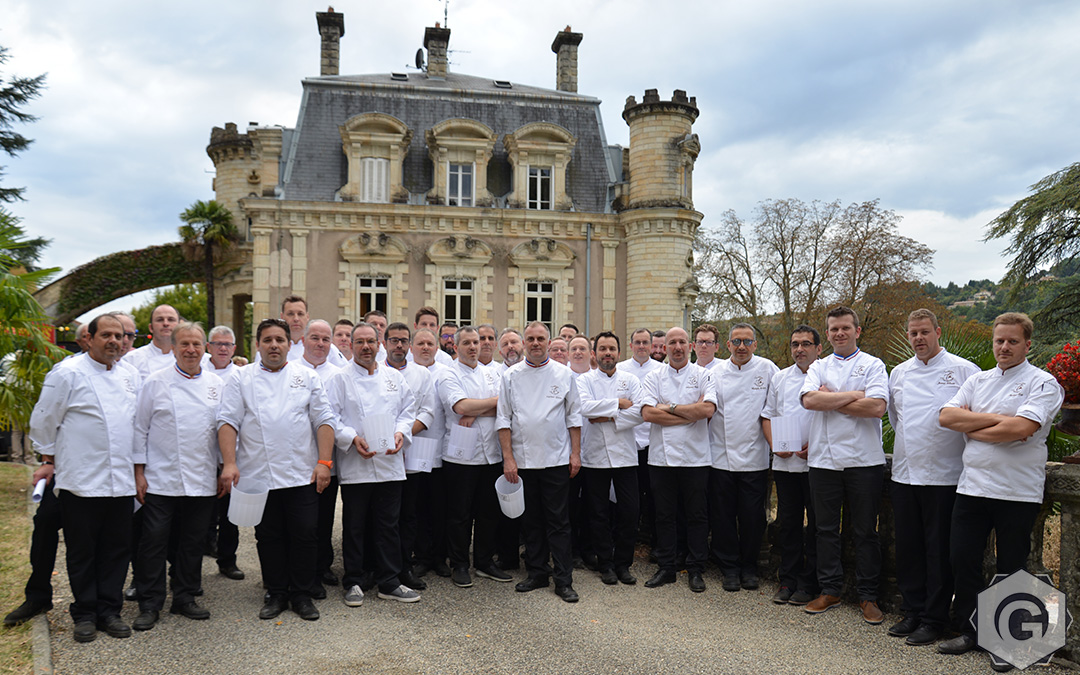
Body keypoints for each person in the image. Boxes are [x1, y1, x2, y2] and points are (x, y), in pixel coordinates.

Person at [937, 313, 1064, 663]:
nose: (1004, 347)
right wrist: (1001, 421)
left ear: (1027, 344)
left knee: (1011, 566)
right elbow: (946, 418)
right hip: (972, 487)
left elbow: (1022, 427)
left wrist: (975, 427)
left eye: (1012, 341)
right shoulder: (977, 381)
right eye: (999, 341)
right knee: (963, 560)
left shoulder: (1044, 383)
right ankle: (970, 631)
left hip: (1017, 491)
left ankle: (1010, 642)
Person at [217, 318, 336, 622]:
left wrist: (325, 463)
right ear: (258, 345)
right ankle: (276, 592)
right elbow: (228, 422)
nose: (274, 345)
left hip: (301, 473)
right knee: (268, 535)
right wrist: (230, 463)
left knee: (306, 534)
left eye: (279, 340)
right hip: (259, 473)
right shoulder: (240, 378)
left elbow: (324, 421)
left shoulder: (306, 376)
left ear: (288, 344)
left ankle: (301, 593)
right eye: (267, 340)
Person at [29, 314, 139, 642]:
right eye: (106, 335)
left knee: (116, 550)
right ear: (88, 339)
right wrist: (48, 457)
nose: (114, 341)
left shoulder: (131, 375)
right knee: (82, 551)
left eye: (119, 336)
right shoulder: (67, 373)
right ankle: (85, 613)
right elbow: (45, 419)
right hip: (80, 479)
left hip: (120, 481)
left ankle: (109, 609)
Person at [885, 309, 980, 645]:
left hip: (945, 474)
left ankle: (934, 619)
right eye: (913, 333)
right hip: (905, 472)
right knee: (908, 547)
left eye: (924, 332)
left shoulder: (964, 370)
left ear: (938, 331)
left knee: (939, 551)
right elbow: (897, 420)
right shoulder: (898, 373)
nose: (919, 339)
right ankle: (912, 611)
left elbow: (972, 418)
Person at [800, 306, 888, 625]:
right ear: (828, 333)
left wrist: (832, 397)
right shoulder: (818, 366)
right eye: (834, 329)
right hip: (823, 460)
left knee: (865, 531)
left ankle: (868, 596)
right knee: (825, 530)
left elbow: (877, 407)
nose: (839, 333)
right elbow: (809, 401)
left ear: (857, 331)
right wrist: (854, 397)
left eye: (845, 328)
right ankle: (830, 590)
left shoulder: (873, 365)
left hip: (864, 460)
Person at [131, 322, 222, 630]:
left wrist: (225, 468)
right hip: (161, 479)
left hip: (201, 478)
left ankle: (184, 597)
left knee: (192, 543)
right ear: (173, 347)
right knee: (153, 542)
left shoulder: (216, 385)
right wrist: (139, 472)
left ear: (205, 347)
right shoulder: (155, 383)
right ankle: (150, 603)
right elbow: (139, 429)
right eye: (184, 344)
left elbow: (223, 432)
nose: (191, 349)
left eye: (197, 344)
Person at [324, 322, 420, 607]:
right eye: (360, 342)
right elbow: (331, 417)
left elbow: (407, 410)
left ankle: (389, 581)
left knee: (388, 525)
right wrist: (352, 439)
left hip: (390, 463)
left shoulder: (393, 378)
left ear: (379, 344)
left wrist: (401, 432)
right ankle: (353, 580)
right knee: (355, 525)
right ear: (351, 346)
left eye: (370, 342)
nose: (366, 347)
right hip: (357, 464)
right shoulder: (340, 379)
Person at [497, 321, 583, 603]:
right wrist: (508, 458)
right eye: (530, 339)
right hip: (523, 460)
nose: (535, 343)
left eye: (540, 338)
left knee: (559, 521)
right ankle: (536, 572)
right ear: (524, 342)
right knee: (531, 520)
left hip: (556, 457)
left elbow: (573, 417)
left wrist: (575, 453)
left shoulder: (564, 374)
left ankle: (563, 579)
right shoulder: (511, 376)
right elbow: (503, 420)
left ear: (549, 341)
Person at [640, 326, 717, 593]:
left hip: (696, 458)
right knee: (664, 515)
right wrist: (689, 413)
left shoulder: (704, 375)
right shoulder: (653, 376)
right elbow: (648, 414)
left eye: (682, 342)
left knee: (697, 515)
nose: (677, 347)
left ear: (691, 346)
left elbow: (707, 409)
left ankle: (696, 568)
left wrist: (668, 407)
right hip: (661, 458)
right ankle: (667, 567)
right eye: (672, 342)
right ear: (664, 347)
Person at [707, 323, 778, 592]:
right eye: (736, 342)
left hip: (754, 456)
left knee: (752, 517)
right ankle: (729, 568)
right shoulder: (714, 372)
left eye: (747, 342)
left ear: (755, 345)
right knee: (723, 516)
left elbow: (776, 407)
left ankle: (749, 567)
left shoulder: (768, 369)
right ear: (727, 345)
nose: (741, 347)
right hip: (720, 455)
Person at [439, 326, 511, 588]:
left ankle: (484, 561)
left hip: (490, 454)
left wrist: (476, 409)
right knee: (459, 513)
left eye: (476, 342)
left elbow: (507, 406)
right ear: (456, 347)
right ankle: (459, 563)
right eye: (467, 343)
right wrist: (484, 405)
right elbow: (460, 406)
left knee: (488, 512)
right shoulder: (448, 374)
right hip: (460, 456)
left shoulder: (493, 373)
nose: (472, 347)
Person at [576, 331, 643, 586]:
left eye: (611, 349)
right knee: (598, 513)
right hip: (595, 456)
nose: (607, 353)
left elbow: (639, 413)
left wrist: (604, 415)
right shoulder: (584, 380)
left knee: (630, 511)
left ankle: (623, 564)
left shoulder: (631, 379)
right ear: (594, 354)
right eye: (602, 349)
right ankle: (605, 564)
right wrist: (618, 403)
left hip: (626, 455)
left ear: (618, 352)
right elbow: (584, 408)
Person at [762, 325, 822, 606]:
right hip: (786, 465)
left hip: (818, 465)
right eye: (795, 344)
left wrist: (817, 445)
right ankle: (787, 580)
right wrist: (775, 444)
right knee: (789, 525)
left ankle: (810, 584)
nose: (800, 349)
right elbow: (768, 417)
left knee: (817, 527)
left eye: (806, 344)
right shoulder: (780, 378)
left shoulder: (826, 374)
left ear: (818, 348)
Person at [382, 322, 433, 591]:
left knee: (408, 515)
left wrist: (402, 435)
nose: (399, 345)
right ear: (385, 343)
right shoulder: (375, 371)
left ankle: (404, 567)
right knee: (383, 517)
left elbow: (428, 412)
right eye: (394, 340)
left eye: (403, 340)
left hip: (410, 453)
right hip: (380, 455)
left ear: (410, 344)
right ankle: (377, 568)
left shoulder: (422, 374)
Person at [296, 320, 343, 596]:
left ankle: (323, 565)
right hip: (298, 459)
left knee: (324, 517)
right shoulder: (292, 371)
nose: (320, 344)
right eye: (315, 338)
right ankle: (300, 568)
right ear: (304, 340)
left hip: (328, 460)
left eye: (326, 339)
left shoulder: (339, 374)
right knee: (302, 520)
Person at [201, 325, 244, 581]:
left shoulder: (241, 375)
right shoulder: (199, 371)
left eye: (228, 345)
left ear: (234, 349)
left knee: (230, 514)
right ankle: (195, 559)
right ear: (209, 347)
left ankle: (228, 560)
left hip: (232, 456)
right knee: (202, 512)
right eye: (218, 344)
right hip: (203, 455)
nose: (223, 349)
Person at [407, 328, 451, 579]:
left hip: (439, 449)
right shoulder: (405, 374)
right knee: (417, 507)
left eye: (430, 343)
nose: (425, 347)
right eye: (420, 343)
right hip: (412, 449)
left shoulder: (446, 373)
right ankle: (421, 556)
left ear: (437, 347)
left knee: (440, 508)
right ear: (412, 347)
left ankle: (439, 556)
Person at [618, 328, 663, 550]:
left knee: (655, 496)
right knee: (628, 497)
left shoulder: (661, 371)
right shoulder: (620, 370)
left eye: (646, 342)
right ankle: (627, 541)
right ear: (631, 345)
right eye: (638, 342)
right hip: (627, 441)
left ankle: (656, 543)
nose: (642, 346)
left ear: (652, 345)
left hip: (655, 441)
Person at [125, 304, 179, 378]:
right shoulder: (131, 359)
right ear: (151, 328)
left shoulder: (190, 358)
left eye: (171, 320)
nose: (166, 323)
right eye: (160, 320)